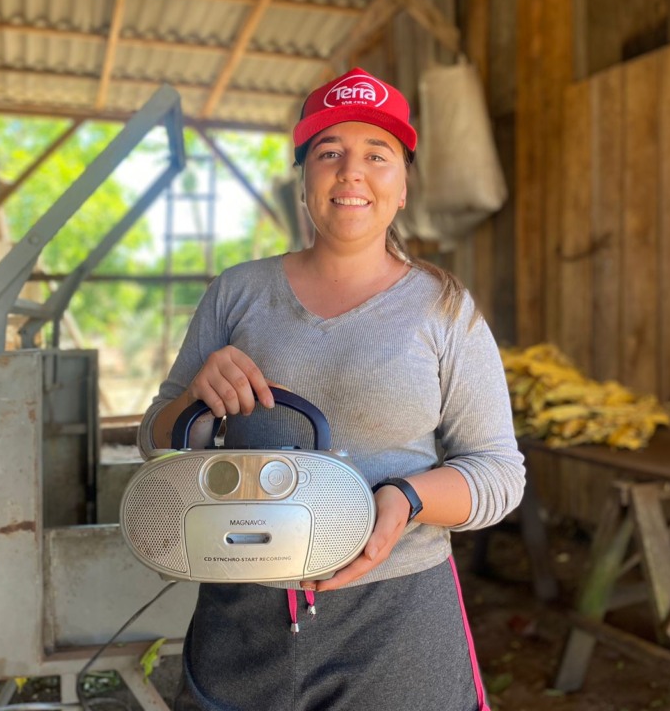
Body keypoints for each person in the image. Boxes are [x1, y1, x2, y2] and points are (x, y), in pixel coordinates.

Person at [141, 67, 525, 711]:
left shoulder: (445, 311)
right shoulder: (237, 294)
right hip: (243, 609)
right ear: (304, 182)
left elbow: (498, 472)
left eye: (377, 155)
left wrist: (404, 499)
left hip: (395, 614)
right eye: (329, 153)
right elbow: (156, 441)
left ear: (402, 187)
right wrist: (191, 405)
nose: (352, 171)